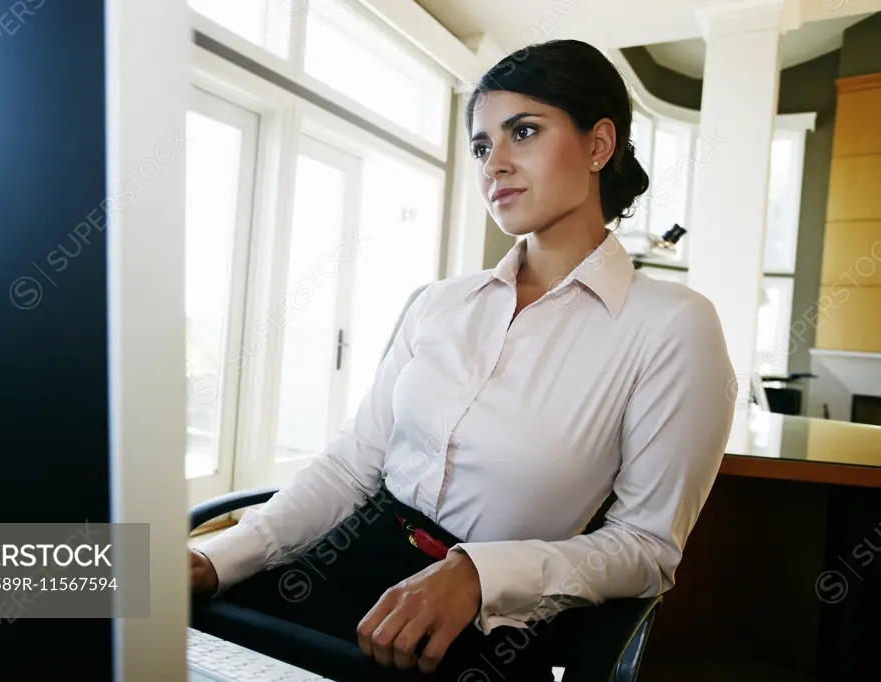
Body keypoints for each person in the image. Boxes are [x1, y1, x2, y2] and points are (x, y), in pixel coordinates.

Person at [189, 39, 736, 681]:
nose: (493, 165)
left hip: (479, 623)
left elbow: (647, 548)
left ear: (598, 145)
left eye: (522, 132)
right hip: (343, 559)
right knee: (80, 579)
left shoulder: (671, 324)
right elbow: (351, 467)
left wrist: (477, 575)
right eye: (481, 147)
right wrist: (219, 555)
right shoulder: (438, 303)